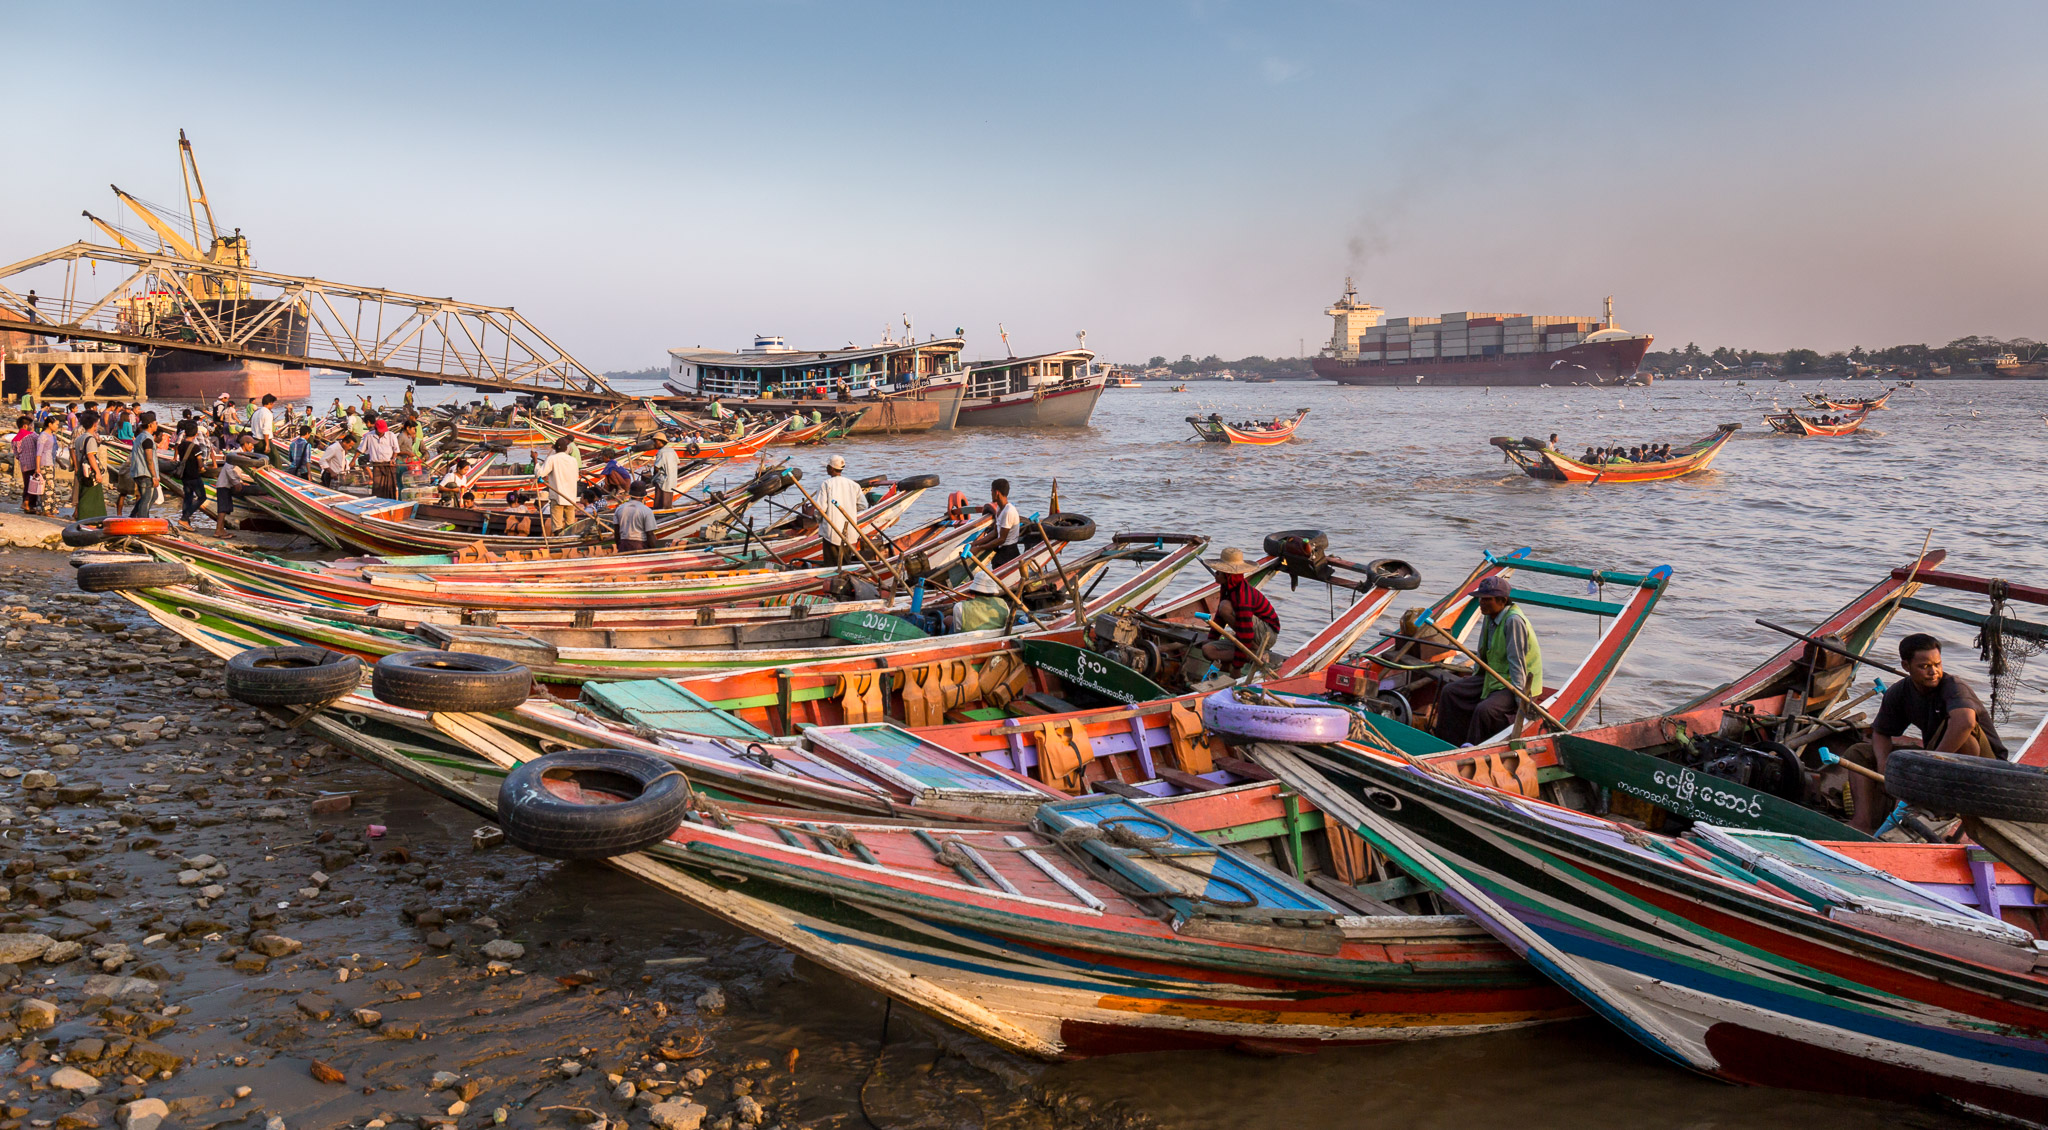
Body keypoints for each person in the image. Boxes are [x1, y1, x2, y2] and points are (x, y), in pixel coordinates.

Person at [1843, 633, 2009, 833]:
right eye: (1925, 666)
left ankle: (1951, 807)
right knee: (1858, 752)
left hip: (1984, 767)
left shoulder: (1954, 687)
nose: (1933, 672)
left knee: (1962, 727)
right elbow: (1881, 732)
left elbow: (1964, 723)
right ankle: (1862, 824)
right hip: (1938, 758)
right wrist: (1883, 764)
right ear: (1906, 666)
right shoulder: (1901, 692)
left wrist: (1929, 763)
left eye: (1937, 664)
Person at [1431, 575, 1543, 746]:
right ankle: (1445, 742)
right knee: (1450, 692)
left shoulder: (1513, 621)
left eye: (1486, 599)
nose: (1481, 603)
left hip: (1512, 683)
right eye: (1480, 599)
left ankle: (1472, 747)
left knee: (1485, 710)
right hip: (1492, 677)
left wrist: (1522, 701)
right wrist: (1475, 678)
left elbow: (1517, 663)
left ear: (1502, 600)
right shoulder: (1489, 615)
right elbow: (1483, 652)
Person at [1199, 547, 1280, 671]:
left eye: (1218, 573)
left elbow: (1246, 631)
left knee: (1225, 607)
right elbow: (1220, 618)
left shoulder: (1242, 595)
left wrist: (1237, 668)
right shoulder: (1226, 587)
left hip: (1266, 633)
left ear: (1228, 576)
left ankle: (1252, 649)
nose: (1215, 575)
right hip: (1246, 631)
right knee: (1208, 650)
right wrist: (1211, 639)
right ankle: (1251, 653)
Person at [815, 453, 864, 567]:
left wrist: (817, 520)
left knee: (831, 564)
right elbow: (863, 505)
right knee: (846, 562)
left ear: (831, 468)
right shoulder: (854, 484)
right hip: (849, 531)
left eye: (827, 466)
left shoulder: (826, 484)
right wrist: (850, 509)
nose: (826, 468)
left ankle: (835, 581)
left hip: (831, 531)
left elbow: (820, 509)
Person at [972, 478, 1022, 568]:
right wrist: (975, 543)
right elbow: (995, 532)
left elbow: (1001, 539)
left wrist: (979, 548)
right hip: (1001, 551)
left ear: (997, 492)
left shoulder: (1008, 511)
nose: (991, 494)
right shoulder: (999, 508)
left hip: (1009, 552)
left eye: (991, 491)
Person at [538, 436, 581, 537]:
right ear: (566, 449)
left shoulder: (552, 459)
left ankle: (559, 540)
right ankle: (570, 541)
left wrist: (535, 460)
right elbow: (576, 477)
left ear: (555, 448)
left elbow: (540, 474)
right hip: (571, 498)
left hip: (557, 497)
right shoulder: (573, 460)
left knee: (557, 526)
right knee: (571, 524)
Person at [214, 434, 257, 533]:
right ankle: (218, 531)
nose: (252, 447)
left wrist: (240, 481)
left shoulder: (242, 455)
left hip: (228, 485)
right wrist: (236, 483)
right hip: (224, 484)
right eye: (251, 444)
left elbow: (236, 471)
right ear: (245, 444)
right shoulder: (235, 455)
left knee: (224, 509)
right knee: (222, 509)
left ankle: (221, 530)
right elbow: (229, 469)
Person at [71, 410, 107, 521]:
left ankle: (83, 519)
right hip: (90, 470)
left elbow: (77, 455)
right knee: (92, 497)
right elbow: (91, 456)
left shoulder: (79, 439)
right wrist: (97, 473)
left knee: (84, 495)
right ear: (94, 424)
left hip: (82, 470)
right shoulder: (90, 439)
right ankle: (92, 520)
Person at [126, 413, 161, 518]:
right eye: (156, 423)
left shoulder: (140, 437)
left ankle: (133, 516)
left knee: (153, 496)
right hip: (145, 473)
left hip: (139, 472)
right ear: (150, 425)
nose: (157, 425)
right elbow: (149, 459)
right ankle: (142, 521)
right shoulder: (147, 439)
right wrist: (154, 476)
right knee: (146, 499)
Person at [175, 425, 209, 528]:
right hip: (194, 475)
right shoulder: (195, 447)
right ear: (195, 435)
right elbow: (200, 463)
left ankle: (186, 523)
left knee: (188, 498)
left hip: (184, 476)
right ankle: (184, 518)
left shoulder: (181, 446)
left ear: (185, 433)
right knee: (202, 497)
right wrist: (202, 468)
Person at [612, 481, 660, 552]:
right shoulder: (646, 510)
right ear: (644, 496)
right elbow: (650, 534)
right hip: (640, 545)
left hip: (623, 545)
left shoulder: (619, 509)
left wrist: (619, 545)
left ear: (630, 493)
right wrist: (655, 549)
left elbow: (616, 531)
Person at [361, 417, 401, 499]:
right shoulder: (369, 436)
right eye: (380, 431)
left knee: (390, 486)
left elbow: (396, 450)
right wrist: (353, 461)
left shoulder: (391, 435)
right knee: (378, 487)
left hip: (389, 465)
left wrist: (393, 459)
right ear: (375, 428)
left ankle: (391, 502)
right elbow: (361, 449)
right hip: (377, 466)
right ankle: (377, 502)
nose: (382, 433)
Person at [650, 436, 681, 510]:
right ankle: (667, 509)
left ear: (659, 441)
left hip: (663, 479)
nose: (654, 444)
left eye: (655, 442)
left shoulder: (661, 452)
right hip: (672, 479)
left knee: (660, 500)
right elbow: (678, 462)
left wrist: (653, 478)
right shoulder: (672, 450)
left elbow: (656, 467)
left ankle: (659, 512)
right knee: (668, 497)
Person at [250, 393, 277, 457]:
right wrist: (267, 445)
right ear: (270, 403)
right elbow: (265, 430)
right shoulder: (268, 413)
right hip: (263, 441)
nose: (273, 405)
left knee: (259, 460)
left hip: (255, 440)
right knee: (275, 459)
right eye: (273, 403)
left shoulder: (256, 413)